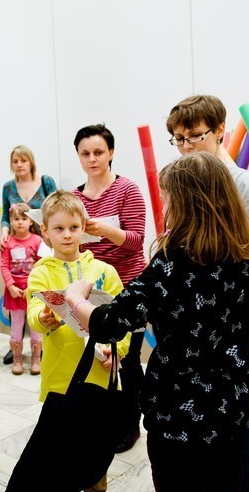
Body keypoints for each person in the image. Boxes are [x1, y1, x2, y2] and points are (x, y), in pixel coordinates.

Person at [65, 153, 249, 491]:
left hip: (173, 415)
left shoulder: (168, 267)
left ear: (183, 205)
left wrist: (75, 299)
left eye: (166, 199)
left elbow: (109, 323)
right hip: (228, 414)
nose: (163, 208)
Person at [167, 94, 249, 492]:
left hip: (234, 329)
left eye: (194, 136)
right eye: (178, 139)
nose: (186, 146)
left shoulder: (244, 184)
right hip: (193, 331)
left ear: (220, 133)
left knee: (240, 429)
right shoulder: (181, 180)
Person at [6, 190, 130, 491]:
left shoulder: (104, 271)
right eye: (58, 229)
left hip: (101, 377)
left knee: (97, 454)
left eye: (73, 228)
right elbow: (35, 308)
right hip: (62, 379)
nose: (66, 235)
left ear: (84, 227)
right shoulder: (42, 271)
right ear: (45, 231)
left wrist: (119, 351)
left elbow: (123, 323)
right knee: (54, 456)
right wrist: (43, 319)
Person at [72, 123, 147, 454]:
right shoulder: (74, 197)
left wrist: (104, 230)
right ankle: (104, 420)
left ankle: (131, 426)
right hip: (91, 289)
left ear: (112, 153)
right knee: (97, 358)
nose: (92, 158)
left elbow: (136, 241)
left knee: (126, 360)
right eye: (85, 153)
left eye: (98, 152)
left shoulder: (127, 190)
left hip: (129, 287)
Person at [0, 145, 57, 365]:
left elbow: (56, 208)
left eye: (23, 160)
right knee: (17, 308)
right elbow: (5, 215)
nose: (19, 165)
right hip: (15, 244)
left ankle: (42, 346)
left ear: (31, 161)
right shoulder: (7, 187)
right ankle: (17, 349)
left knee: (44, 295)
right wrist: (5, 232)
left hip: (43, 243)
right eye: (15, 161)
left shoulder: (46, 181)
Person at [0, 202, 44, 375]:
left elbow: (41, 264)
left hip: (32, 292)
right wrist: (10, 286)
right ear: (10, 221)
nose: (20, 222)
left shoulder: (37, 241)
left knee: (35, 329)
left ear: (31, 221)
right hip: (14, 293)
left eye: (24, 218)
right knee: (16, 329)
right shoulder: (8, 243)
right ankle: (17, 359)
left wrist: (33, 286)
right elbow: (4, 266)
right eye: (16, 219)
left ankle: (36, 359)